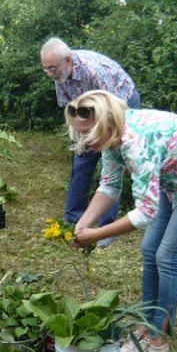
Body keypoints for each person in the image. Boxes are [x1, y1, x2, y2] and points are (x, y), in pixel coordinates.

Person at [66, 90, 177, 352]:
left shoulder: (135, 142)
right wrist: (84, 222)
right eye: (80, 133)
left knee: (167, 257)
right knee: (149, 249)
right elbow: (109, 186)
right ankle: (147, 323)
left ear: (105, 122)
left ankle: (159, 339)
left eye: (87, 133)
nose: (84, 141)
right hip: (173, 179)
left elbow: (145, 212)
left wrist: (96, 235)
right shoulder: (111, 137)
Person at [40, 37, 141, 234]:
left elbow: (115, 110)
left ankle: (107, 226)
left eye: (53, 68)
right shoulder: (60, 75)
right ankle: (74, 220)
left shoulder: (94, 71)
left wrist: (104, 139)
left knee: (111, 164)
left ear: (67, 60)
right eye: (46, 69)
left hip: (119, 106)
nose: (50, 74)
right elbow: (70, 108)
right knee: (81, 161)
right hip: (88, 112)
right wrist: (82, 136)